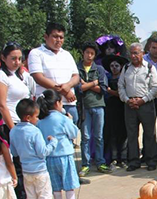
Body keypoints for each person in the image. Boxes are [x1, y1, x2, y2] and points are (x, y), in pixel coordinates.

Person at [0, 41, 34, 199]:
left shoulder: (19, 76)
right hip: (10, 125)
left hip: (23, 124)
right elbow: (2, 105)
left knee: (24, 164)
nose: (17, 62)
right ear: (3, 57)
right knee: (15, 165)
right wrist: (13, 129)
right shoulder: (0, 76)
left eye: (19, 58)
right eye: (13, 58)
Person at [9, 98, 58, 199]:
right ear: (28, 117)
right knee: (44, 196)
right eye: (36, 116)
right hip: (40, 170)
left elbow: (13, 152)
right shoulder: (34, 131)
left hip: (26, 170)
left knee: (31, 198)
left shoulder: (13, 131)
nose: (37, 119)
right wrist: (53, 143)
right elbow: (42, 153)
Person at [36, 89, 85, 199]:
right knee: (69, 184)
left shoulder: (40, 121)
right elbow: (73, 133)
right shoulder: (63, 119)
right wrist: (70, 119)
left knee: (56, 186)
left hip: (50, 157)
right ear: (57, 103)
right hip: (65, 155)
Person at [118, 42, 157, 172]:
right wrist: (127, 100)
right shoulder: (125, 68)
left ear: (142, 53)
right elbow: (121, 86)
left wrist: (143, 100)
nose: (133, 56)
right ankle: (134, 161)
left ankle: (151, 160)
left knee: (149, 134)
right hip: (129, 105)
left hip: (146, 105)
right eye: (131, 53)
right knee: (131, 134)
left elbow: (156, 88)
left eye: (136, 53)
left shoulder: (149, 67)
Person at [28, 23, 79, 123]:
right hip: (48, 105)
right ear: (46, 37)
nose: (59, 40)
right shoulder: (36, 53)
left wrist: (68, 86)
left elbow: (76, 76)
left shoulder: (67, 55)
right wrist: (65, 91)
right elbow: (39, 77)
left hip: (69, 103)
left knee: (71, 135)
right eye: (55, 36)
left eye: (61, 37)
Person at [76, 42, 109, 176]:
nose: (89, 56)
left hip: (98, 106)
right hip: (84, 107)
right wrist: (93, 83)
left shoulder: (99, 69)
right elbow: (78, 88)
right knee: (85, 137)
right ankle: (85, 164)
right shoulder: (76, 69)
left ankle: (100, 162)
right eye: (87, 53)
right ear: (82, 53)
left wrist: (86, 85)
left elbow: (103, 89)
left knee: (99, 136)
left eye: (92, 53)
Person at [103, 55, 128, 168]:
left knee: (123, 133)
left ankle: (123, 158)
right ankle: (113, 158)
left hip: (122, 107)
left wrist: (112, 92)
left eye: (116, 66)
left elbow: (123, 94)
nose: (114, 68)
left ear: (121, 66)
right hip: (110, 107)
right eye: (112, 66)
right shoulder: (106, 77)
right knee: (112, 133)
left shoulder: (124, 78)